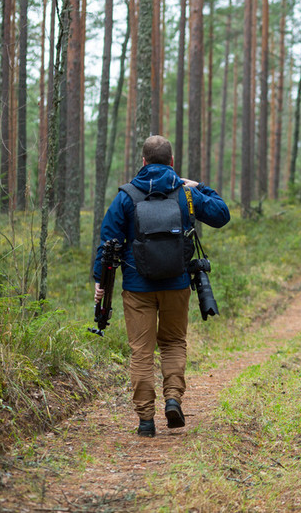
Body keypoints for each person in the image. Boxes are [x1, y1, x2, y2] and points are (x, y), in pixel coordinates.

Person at [93, 135, 230, 437]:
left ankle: (145, 421)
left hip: (137, 288)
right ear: (171, 162)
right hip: (176, 284)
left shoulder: (126, 196)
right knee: (172, 343)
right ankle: (172, 400)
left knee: (141, 352)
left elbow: (108, 243)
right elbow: (222, 215)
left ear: (142, 161)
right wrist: (198, 186)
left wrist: (100, 283)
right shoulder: (185, 194)